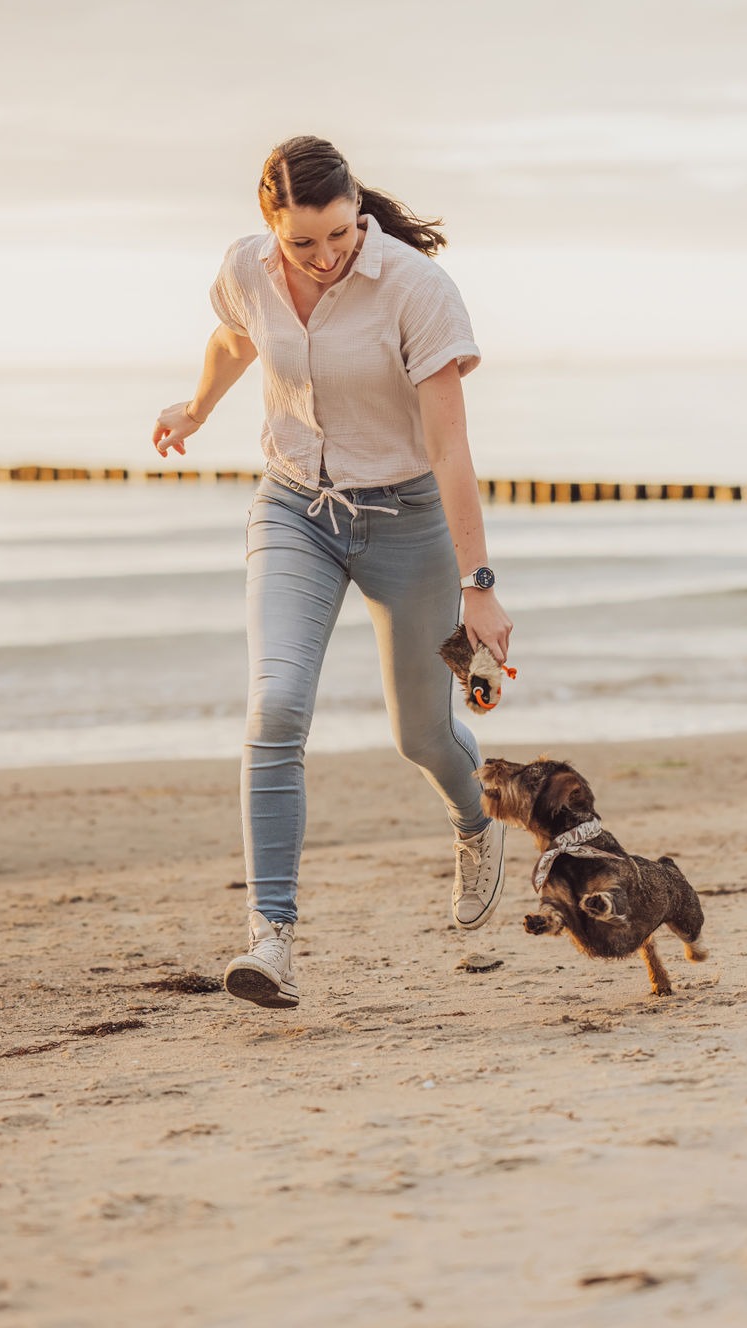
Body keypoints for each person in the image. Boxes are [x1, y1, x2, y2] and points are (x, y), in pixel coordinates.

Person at [152, 136, 512, 1010]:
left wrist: (480, 583)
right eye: (301, 243)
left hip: (408, 524)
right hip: (293, 512)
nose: (324, 256)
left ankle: (477, 822)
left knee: (422, 735)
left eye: (340, 235)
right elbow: (234, 340)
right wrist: (194, 407)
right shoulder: (247, 266)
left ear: (359, 210)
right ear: (269, 226)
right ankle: (269, 940)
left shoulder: (416, 290)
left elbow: (448, 442)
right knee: (275, 704)